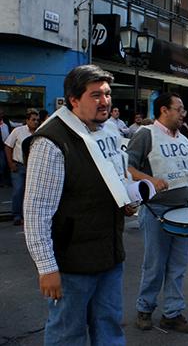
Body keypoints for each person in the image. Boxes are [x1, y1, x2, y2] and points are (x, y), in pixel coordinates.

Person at [23, 65, 137, 345]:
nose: (105, 102)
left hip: (109, 258)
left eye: (107, 94)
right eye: (95, 95)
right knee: (67, 335)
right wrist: (46, 267)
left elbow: (114, 178)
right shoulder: (51, 141)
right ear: (74, 100)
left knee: (110, 329)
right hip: (71, 265)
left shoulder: (106, 131)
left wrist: (126, 201)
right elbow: (36, 210)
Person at [127, 92, 188, 334]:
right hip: (157, 210)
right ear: (164, 110)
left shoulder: (183, 139)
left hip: (183, 212)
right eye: (179, 108)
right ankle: (145, 309)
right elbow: (127, 167)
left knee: (178, 265)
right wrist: (150, 179)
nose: (183, 113)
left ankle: (172, 313)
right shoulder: (146, 134)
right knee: (155, 264)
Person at [4, 108, 39, 226]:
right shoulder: (18, 131)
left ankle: (27, 216)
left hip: (33, 167)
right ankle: (17, 215)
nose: (35, 122)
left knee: (31, 193)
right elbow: (8, 146)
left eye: (37, 120)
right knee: (18, 191)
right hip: (18, 166)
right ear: (27, 120)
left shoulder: (40, 132)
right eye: (33, 120)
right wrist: (10, 164)